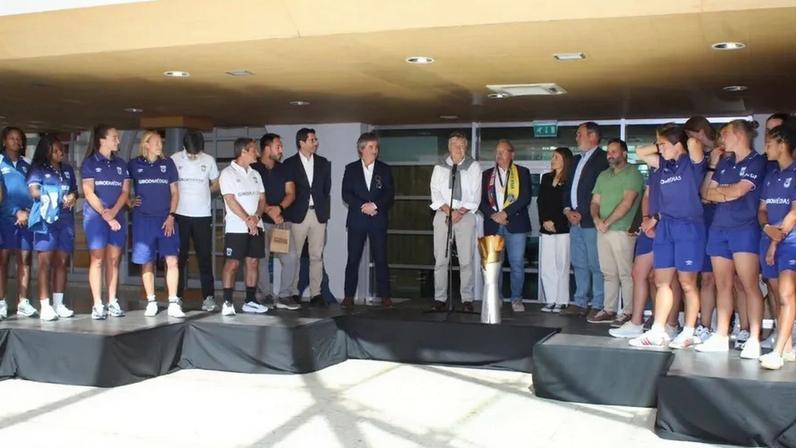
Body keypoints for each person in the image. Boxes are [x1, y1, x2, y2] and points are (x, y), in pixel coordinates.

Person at [629, 124, 705, 348]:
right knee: (662, 281)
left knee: (687, 283)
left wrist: (677, 138)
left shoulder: (691, 163)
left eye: (663, 144)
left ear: (677, 144)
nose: (659, 149)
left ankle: (689, 331)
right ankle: (658, 330)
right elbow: (641, 153)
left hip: (689, 227)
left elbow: (694, 143)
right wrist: (661, 143)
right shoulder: (662, 165)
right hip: (666, 227)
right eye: (658, 144)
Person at [698, 120, 767, 356]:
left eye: (724, 134)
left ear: (738, 134)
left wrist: (725, 193)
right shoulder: (725, 161)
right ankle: (721, 335)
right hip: (719, 228)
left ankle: (754, 338)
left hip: (744, 228)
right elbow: (705, 194)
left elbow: (739, 191)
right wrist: (713, 166)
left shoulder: (757, 161)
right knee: (722, 284)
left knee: (748, 285)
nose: (721, 139)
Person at [129, 130, 184, 318]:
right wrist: (129, 201)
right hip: (143, 221)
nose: (160, 146)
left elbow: (175, 193)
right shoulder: (134, 164)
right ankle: (151, 301)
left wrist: (171, 215)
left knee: (172, 260)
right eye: (157, 142)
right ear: (146, 145)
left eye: (161, 142)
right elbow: (124, 188)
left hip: (165, 219)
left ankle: (173, 301)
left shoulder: (168, 164)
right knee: (147, 261)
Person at [588, 138, 644, 324]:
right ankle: (609, 309)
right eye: (608, 152)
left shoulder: (633, 173)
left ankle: (629, 312)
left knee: (625, 274)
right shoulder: (603, 175)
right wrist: (597, 219)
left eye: (614, 151)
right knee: (608, 273)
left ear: (624, 153)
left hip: (621, 230)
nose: (610, 155)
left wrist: (607, 222)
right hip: (602, 230)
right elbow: (595, 201)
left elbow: (627, 203)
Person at [26, 135, 77, 321]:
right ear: (46, 152)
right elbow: (34, 191)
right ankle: (45, 304)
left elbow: (74, 190)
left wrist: (72, 196)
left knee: (62, 262)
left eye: (61, 149)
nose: (59, 153)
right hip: (45, 220)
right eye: (55, 150)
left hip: (65, 220)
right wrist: (53, 195)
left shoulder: (68, 169)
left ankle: (58, 303)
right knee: (45, 263)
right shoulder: (37, 169)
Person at [560, 122, 609, 319]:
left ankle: (598, 303)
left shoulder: (603, 159)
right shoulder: (577, 160)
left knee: (595, 264)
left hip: (591, 221)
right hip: (574, 221)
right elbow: (568, 188)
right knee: (579, 262)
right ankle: (580, 301)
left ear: (593, 136)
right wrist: (567, 210)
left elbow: (601, 193)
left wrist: (582, 213)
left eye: (580, 134)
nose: (576, 138)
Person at [81, 125, 130, 319]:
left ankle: (112, 301)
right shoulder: (90, 163)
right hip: (95, 218)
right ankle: (97, 304)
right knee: (98, 259)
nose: (118, 141)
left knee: (113, 260)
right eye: (115, 137)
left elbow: (125, 191)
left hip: (116, 216)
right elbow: (88, 191)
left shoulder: (121, 163)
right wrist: (104, 213)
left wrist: (114, 212)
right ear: (102, 140)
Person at [341, 132, 395, 309]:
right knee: (353, 259)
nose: (375, 150)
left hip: (377, 220)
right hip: (357, 220)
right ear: (361, 149)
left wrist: (375, 206)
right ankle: (348, 296)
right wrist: (363, 206)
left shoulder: (384, 169)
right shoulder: (351, 169)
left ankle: (385, 296)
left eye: (376, 147)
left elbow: (389, 194)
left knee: (381, 258)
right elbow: (346, 194)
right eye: (371, 147)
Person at [429, 131, 481, 312]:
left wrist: (459, 212)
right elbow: (434, 192)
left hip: (465, 216)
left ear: (466, 147)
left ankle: (467, 298)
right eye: (455, 145)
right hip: (444, 215)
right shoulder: (440, 166)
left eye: (462, 146)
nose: (459, 149)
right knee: (441, 260)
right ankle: (440, 298)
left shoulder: (473, 166)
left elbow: (476, 195)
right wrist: (448, 211)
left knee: (466, 260)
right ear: (449, 147)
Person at [758, 124, 796, 369]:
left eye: (769, 143)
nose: (766, 148)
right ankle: (789, 345)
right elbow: (761, 210)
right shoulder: (771, 175)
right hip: (769, 239)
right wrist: (765, 228)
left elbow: (794, 213)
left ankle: (778, 353)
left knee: (785, 294)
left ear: (782, 144)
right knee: (774, 294)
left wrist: (774, 240)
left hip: (789, 242)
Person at [479, 139, 532, 312]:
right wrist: (494, 215)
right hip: (493, 224)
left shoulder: (522, 172)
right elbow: (480, 201)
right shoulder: (487, 174)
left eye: (502, 151)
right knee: (493, 264)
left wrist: (505, 213)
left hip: (515, 224)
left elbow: (525, 197)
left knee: (517, 263)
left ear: (512, 154)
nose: (499, 155)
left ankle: (516, 299)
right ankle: (496, 297)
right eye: (497, 152)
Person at [250, 133, 301, 310]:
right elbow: (251, 195)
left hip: (280, 223)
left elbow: (291, 193)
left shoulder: (285, 168)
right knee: (261, 259)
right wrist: (267, 211)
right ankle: (264, 295)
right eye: (278, 146)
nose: (281, 150)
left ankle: (285, 296)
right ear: (267, 148)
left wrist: (278, 209)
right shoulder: (252, 168)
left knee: (290, 258)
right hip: (259, 223)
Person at [282, 128, 332, 307]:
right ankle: (294, 293)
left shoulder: (324, 163)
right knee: (294, 256)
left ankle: (316, 294)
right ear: (301, 142)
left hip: (318, 215)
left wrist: (324, 211)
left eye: (316, 139)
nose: (316, 142)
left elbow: (326, 190)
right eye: (312, 140)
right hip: (297, 215)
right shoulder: (288, 163)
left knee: (316, 256)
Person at [219, 138, 268, 316]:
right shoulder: (227, 173)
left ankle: (250, 301)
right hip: (236, 228)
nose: (257, 153)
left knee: (253, 262)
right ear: (243, 152)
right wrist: (247, 219)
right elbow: (230, 200)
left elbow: (262, 199)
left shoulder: (256, 174)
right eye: (254, 150)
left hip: (256, 225)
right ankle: (227, 301)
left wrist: (256, 217)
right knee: (232, 263)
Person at [172, 130, 220, 313]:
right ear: (184, 147)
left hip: (202, 215)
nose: (193, 156)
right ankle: (176, 297)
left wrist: (207, 189)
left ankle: (208, 298)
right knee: (179, 259)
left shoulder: (208, 160)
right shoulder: (175, 159)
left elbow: (216, 183)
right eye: (190, 153)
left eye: (196, 153)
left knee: (204, 259)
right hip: (180, 215)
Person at [684, 116, 719, 339]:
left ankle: (730, 324)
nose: (689, 142)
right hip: (698, 220)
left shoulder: (722, 153)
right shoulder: (694, 158)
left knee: (726, 279)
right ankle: (703, 324)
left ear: (699, 133)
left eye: (690, 137)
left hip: (720, 219)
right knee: (702, 276)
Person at [0, 126, 35, 319]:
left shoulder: (27, 164)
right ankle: (1, 302)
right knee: (2, 261)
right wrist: (15, 213)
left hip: (26, 219)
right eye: (11, 138)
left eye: (18, 138)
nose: (16, 141)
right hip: (5, 219)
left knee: (25, 260)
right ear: (4, 141)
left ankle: (23, 302)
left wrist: (27, 213)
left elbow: (33, 191)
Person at [537, 147, 573, 313]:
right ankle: (550, 299)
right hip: (546, 227)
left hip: (562, 228)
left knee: (562, 264)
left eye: (556, 157)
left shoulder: (569, 179)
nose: (553, 160)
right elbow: (541, 201)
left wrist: (556, 222)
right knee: (547, 265)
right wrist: (545, 220)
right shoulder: (546, 178)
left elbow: (567, 204)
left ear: (565, 160)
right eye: (553, 157)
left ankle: (561, 300)